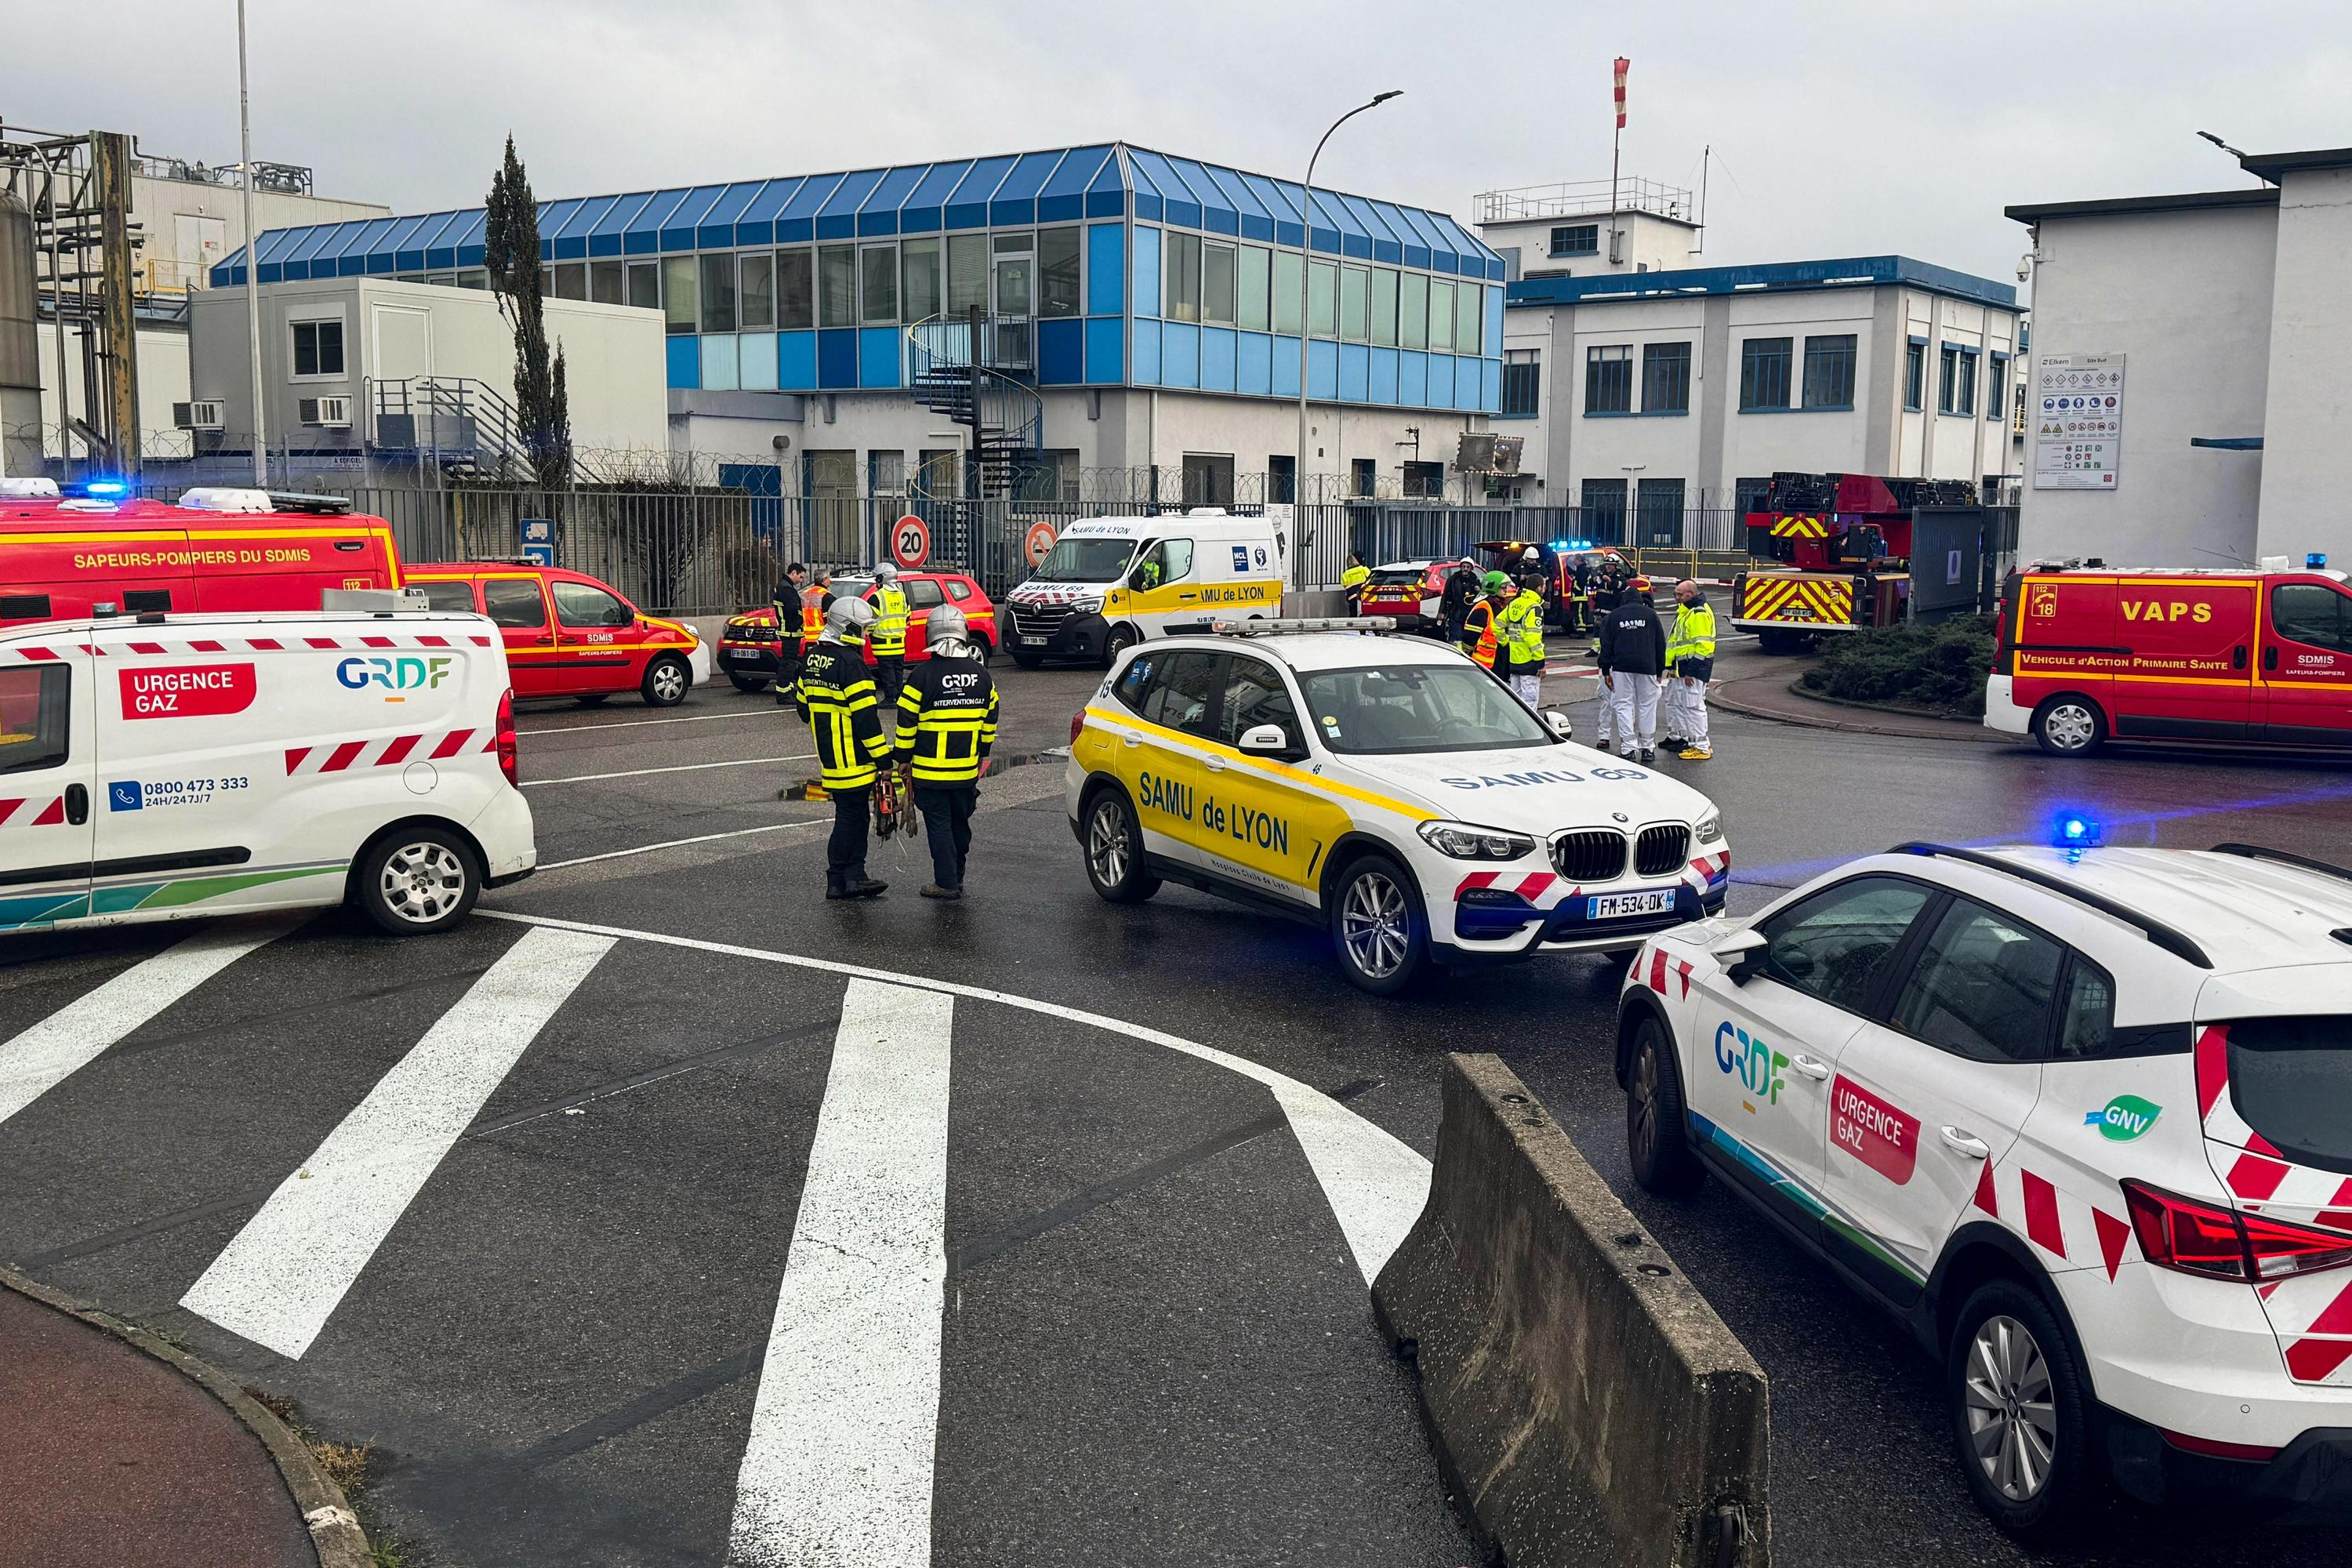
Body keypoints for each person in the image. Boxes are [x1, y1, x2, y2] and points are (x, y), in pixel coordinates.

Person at [894, 604, 1000, 900]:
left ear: (932, 634)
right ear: (963, 633)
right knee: (959, 823)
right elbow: (991, 716)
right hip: (966, 770)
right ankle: (958, 876)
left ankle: (946, 882)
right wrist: (982, 751)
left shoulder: (921, 676)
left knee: (939, 825)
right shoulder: (981, 675)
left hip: (930, 770)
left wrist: (902, 759)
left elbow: (906, 722)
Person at [794, 597, 891, 899]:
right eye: (862, 630)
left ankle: (848, 878)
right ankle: (843, 878)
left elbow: (802, 706)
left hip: (830, 753)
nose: (865, 637)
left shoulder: (812, 657)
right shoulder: (852, 664)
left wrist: (828, 726)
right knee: (853, 817)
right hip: (855, 756)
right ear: (847, 628)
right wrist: (883, 760)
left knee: (851, 814)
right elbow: (866, 719)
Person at [1597, 575, 1668, 765]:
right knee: (1647, 705)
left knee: (1623, 705)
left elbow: (1606, 645)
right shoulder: (1651, 616)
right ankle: (1648, 747)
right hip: (1647, 667)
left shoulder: (1614, 617)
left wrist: (1605, 670)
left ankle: (1628, 748)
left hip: (1622, 667)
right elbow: (1660, 645)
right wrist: (1660, 670)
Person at [1663, 578, 1719, 761]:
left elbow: (1703, 646)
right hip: (1683, 668)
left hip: (1693, 669)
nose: (1677, 597)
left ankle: (1701, 747)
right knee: (1687, 706)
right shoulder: (1687, 611)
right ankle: (1692, 742)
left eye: (1680, 594)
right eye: (1676, 594)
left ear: (1691, 594)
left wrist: (1691, 672)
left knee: (1694, 708)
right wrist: (1671, 666)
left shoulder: (1698, 613)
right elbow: (1676, 644)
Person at [1495, 570, 1548, 710]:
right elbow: (1533, 637)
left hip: (1514, 660)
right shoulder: (1535, 608)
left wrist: (1505, 642)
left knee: (1516, 703)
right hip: (1529, 662)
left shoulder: (1514, 603)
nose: (1545, 588)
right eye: (1544, 585)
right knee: (1530, 702)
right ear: (1539, 588)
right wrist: (1540, 661)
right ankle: (1530, 731)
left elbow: (1497, 624)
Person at [866, 562, 911, 706]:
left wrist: (869, 633)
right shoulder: (902, 596)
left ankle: (890, 698)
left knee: (887, 672)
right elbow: (908, 615)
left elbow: (870, 620)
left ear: (882, 579)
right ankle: (899, 697)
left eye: (877, 579)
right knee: (898, 671)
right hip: (899, 642)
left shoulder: (877, 597)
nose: (875, 582)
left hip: (882, 642)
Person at [1457, 570, 1512, 670]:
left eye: (1507, 587)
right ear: (1493, 588)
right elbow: (1470, 638)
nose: (1506, 591)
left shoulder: (1498, 606)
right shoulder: (1483, 608)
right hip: (1482, 664)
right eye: (1503, 588)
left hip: (1495, 661)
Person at [770, 561, 808, 704]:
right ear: (793, 573)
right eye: (801, 577)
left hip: (788, 631)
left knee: (789, 662)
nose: (801, 580)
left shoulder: (783, 586)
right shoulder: (787, 589)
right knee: (788, 663)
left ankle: (787, 690)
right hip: (791, 632)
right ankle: (783, 694)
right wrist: (801, 622)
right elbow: (794, 610)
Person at [1439, 562, 1479, 644]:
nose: (1465, 569)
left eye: (1468, 567)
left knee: (1468, 638)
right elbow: (1446, 595)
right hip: (1456, 613)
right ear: (1460, 567)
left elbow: (1481, 597)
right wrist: (1442, 612)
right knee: (1456, 636)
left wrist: (1478, 590)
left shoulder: (1475, 580)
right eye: (1464, 566)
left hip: (1470, 614)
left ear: (1471, 568)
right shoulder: (1453, 579)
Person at [1340, 550, 1371, 614]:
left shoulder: (1346, 573)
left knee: (1353, 613)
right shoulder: (1363, 569)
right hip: (1363, 595)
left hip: (1351, 597)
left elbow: (1344, 584)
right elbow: (1370, 579)